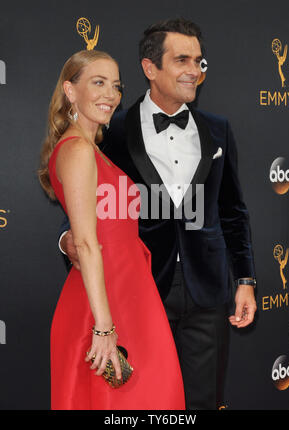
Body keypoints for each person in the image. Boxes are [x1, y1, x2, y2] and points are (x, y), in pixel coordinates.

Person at [59, 19, 257, 410]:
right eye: (181, 59)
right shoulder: (109, 131)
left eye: (199, 61)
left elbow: (232, 210)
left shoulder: (218, 130)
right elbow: (88, 200)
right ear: (150, 68)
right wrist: (67, 239)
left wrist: (246, 278)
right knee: (145, 404)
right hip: (139, 290)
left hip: (208, 288)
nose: (194, 70)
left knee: (203, 400)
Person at [38, 49, 185, 410]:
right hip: (102, 303)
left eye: (116, 86)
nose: (110, 95)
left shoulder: (93, 149)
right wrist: (103, 328)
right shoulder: (76, 150)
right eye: (98, 83)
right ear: (70, 91)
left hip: (129, 291)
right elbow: (86, 243)